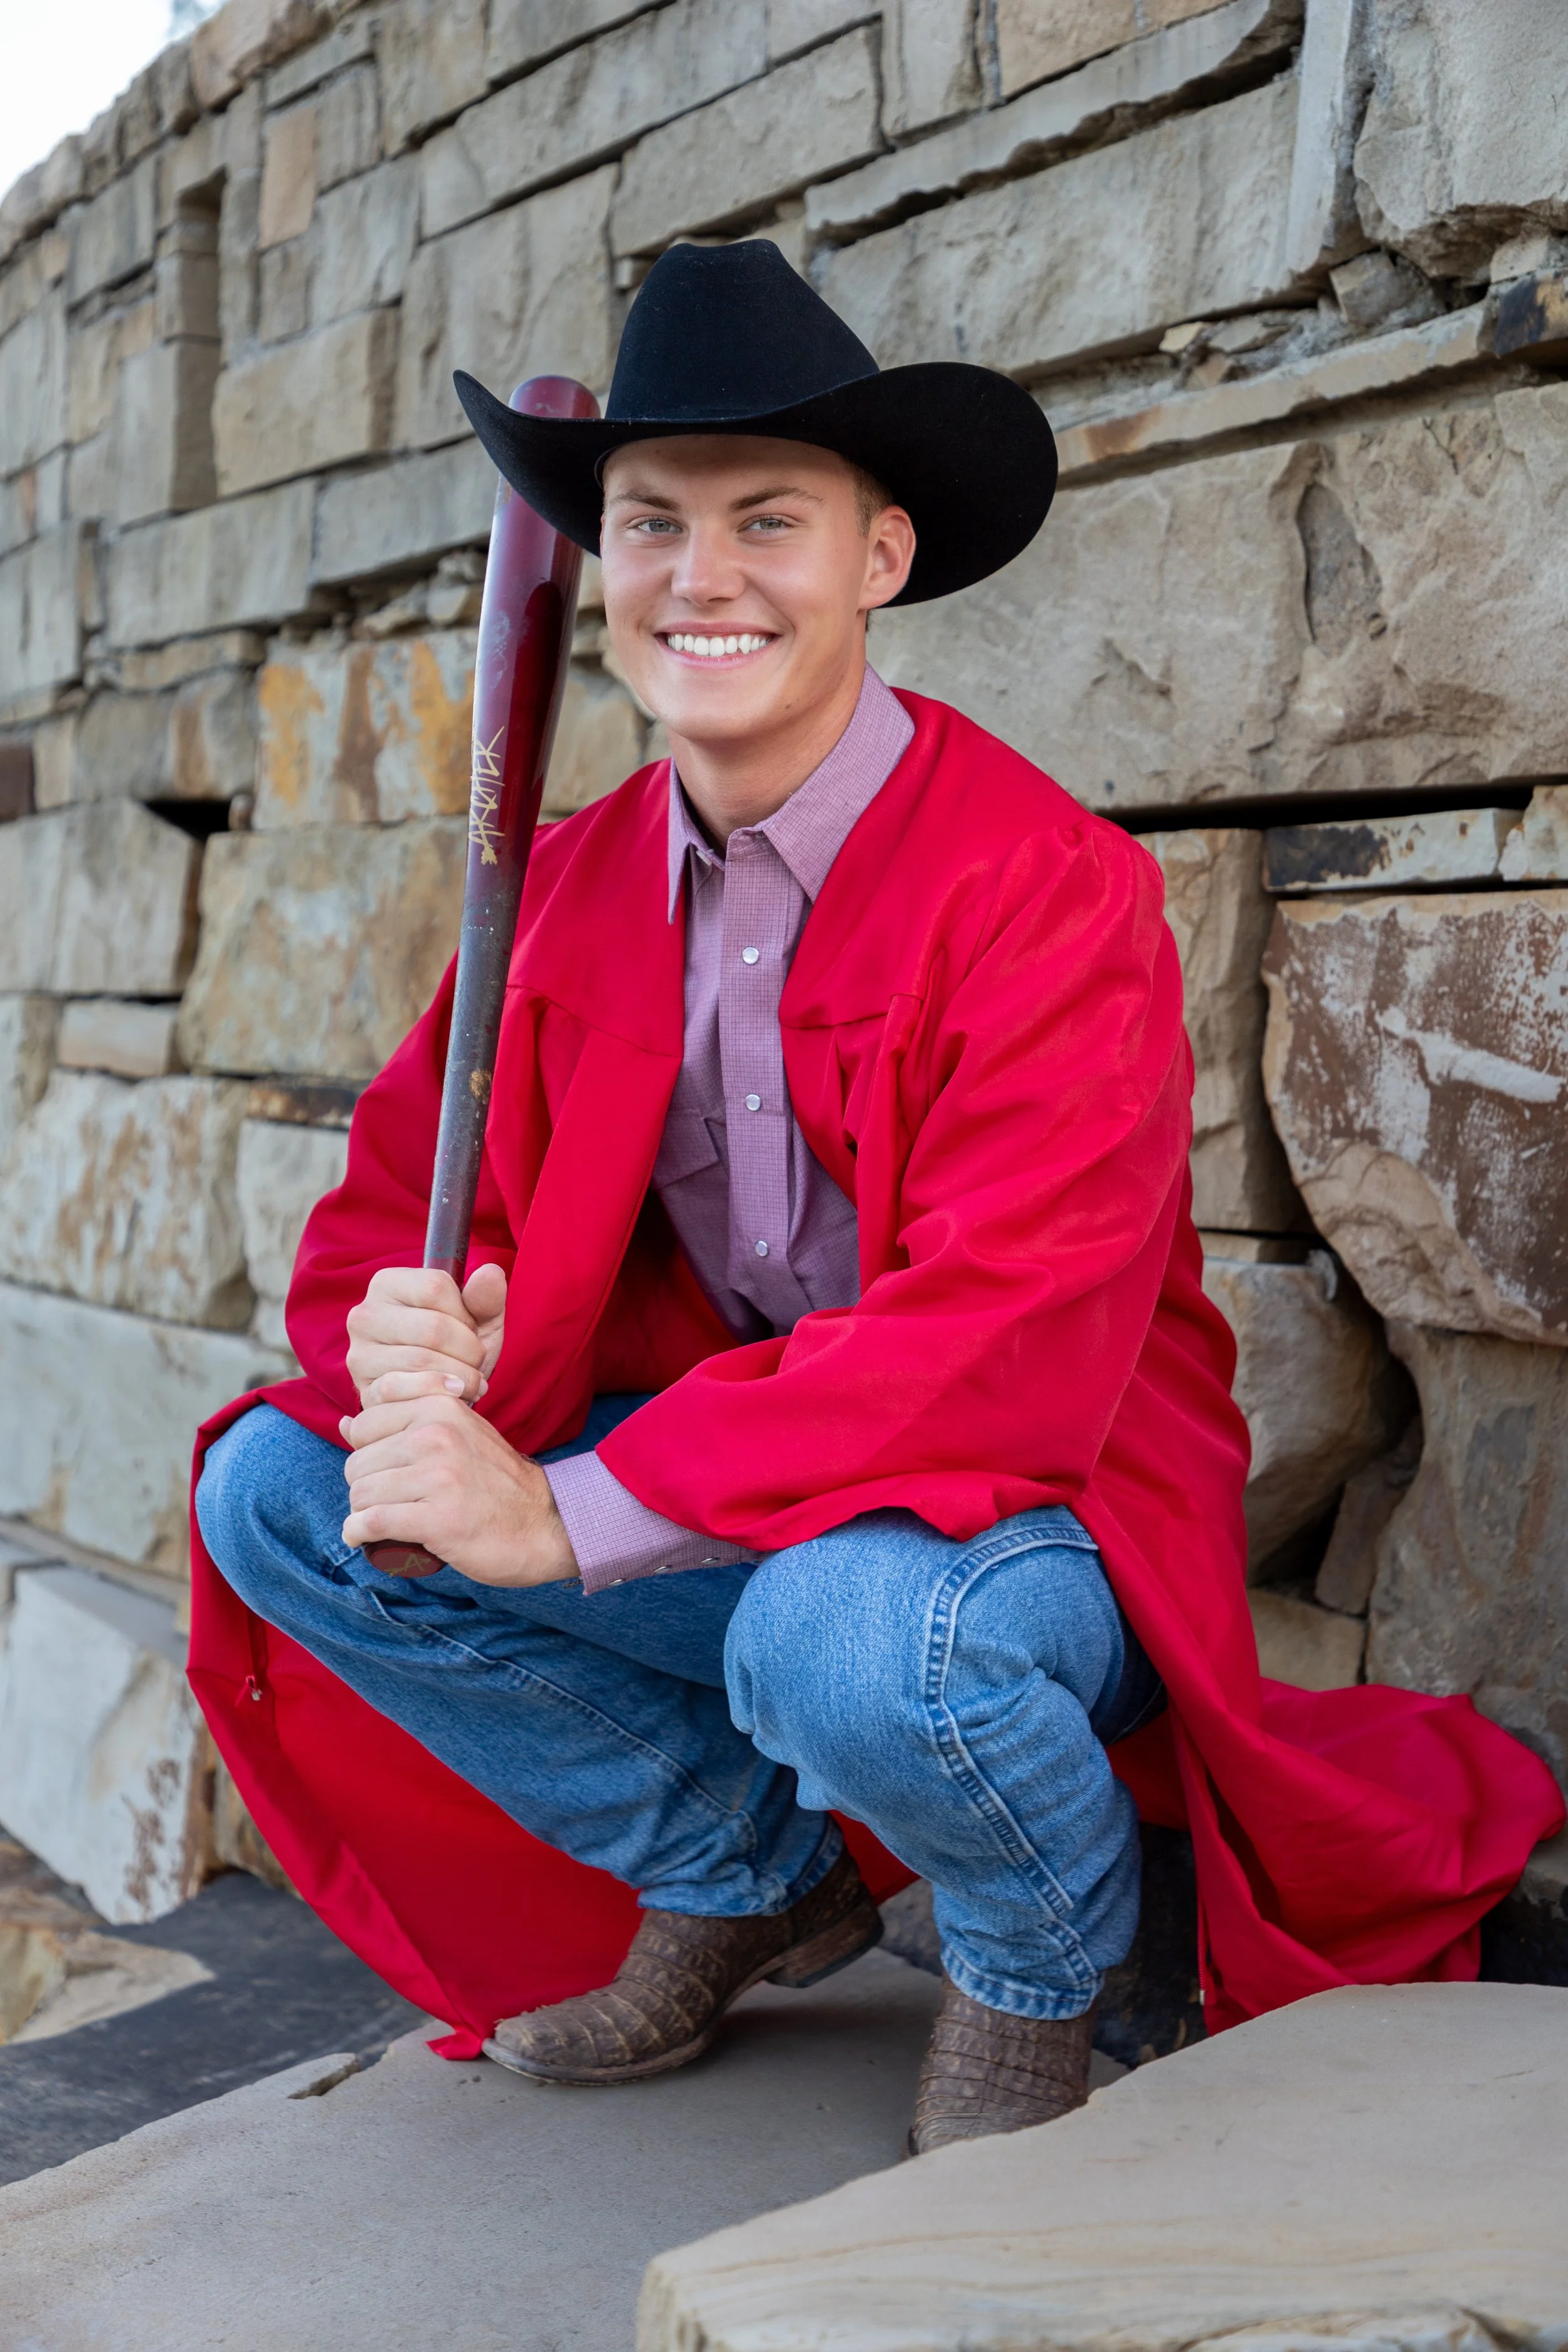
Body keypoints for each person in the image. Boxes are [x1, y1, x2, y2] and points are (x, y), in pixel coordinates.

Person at [192, 241, 1563, 2156]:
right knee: (278, 1491)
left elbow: (1007, 1336)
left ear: (879, 557)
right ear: (603, 576)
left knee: (842, 1636)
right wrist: (428, 1327)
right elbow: (390, 1212)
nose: (705, 575)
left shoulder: (1039, 887)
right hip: (732, 1485)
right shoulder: (567, 888)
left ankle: (1029, 1965)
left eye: (771, 518)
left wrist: (562, 1508)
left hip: (1021, 1510)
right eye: (652, 524)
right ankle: (738, 1867)